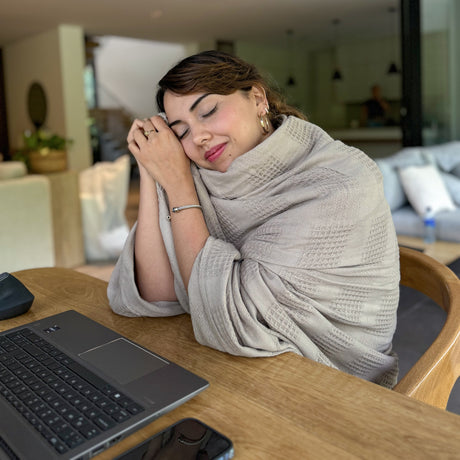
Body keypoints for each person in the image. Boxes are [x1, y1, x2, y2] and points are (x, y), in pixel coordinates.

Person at [108, 50, 400, 388]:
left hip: (334, 386)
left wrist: (178, 185)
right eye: (181, 131)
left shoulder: (340, 183)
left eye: (208, 111)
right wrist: (152, 169)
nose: (198, 136)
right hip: (232, 371)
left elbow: (236, 319)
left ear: (258, 99)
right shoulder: (198, 174)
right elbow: (156, 293)